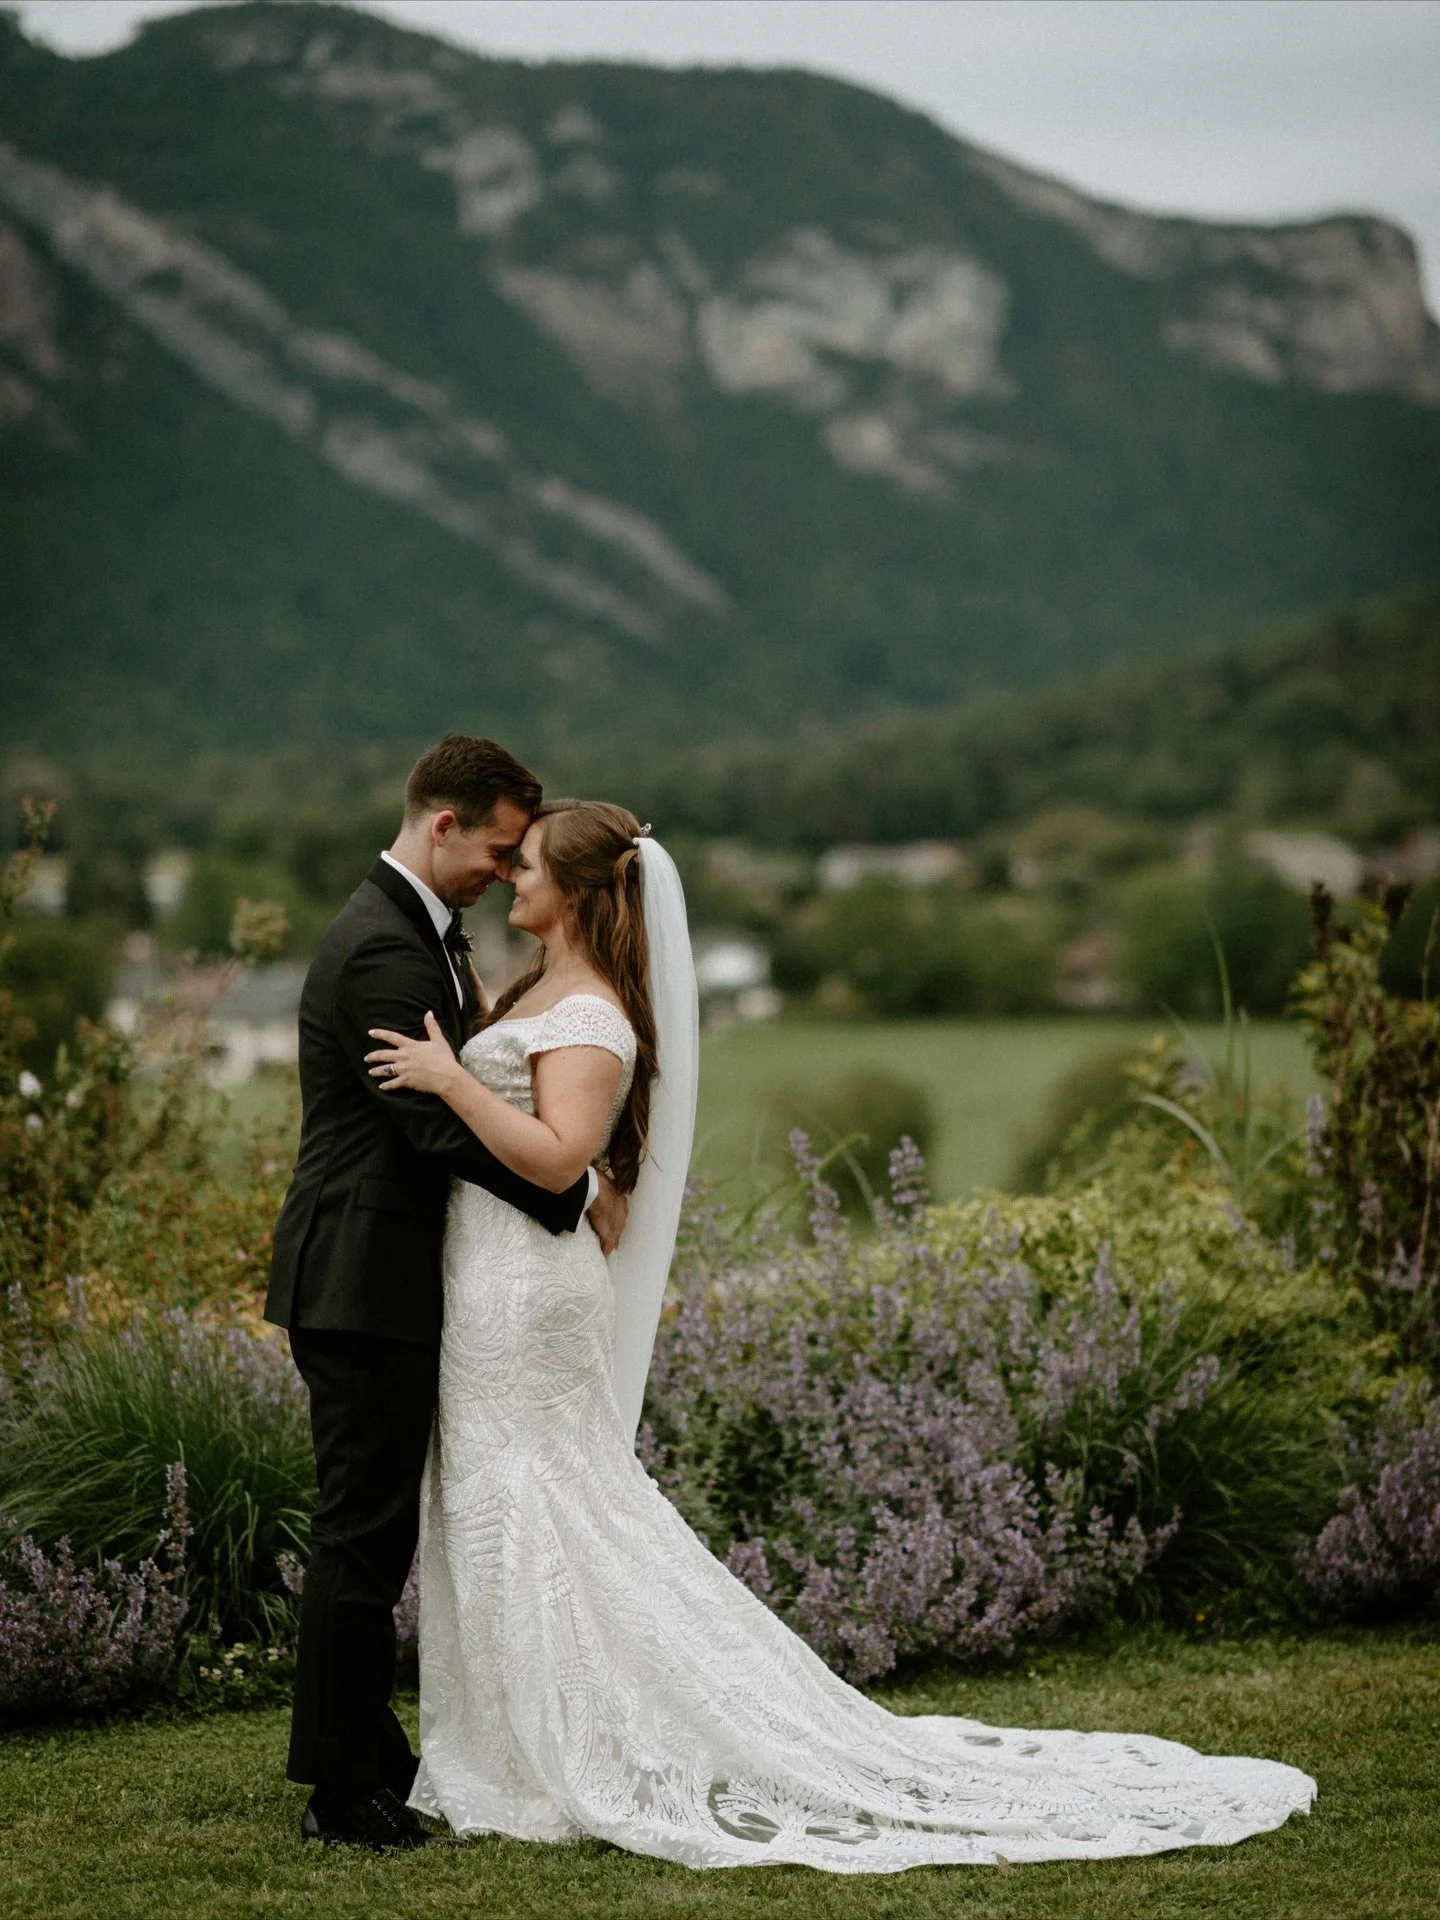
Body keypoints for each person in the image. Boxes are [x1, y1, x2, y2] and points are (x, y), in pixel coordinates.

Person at [363, 798, 1317, 1874]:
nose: (510, 875)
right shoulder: (541, 991)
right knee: (503, 1496)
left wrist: (449, 1079)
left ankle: (560, 1749)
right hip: (488, 1277)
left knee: (538, 1498)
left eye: (528, 863)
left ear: (580, 894)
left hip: (525, 1294)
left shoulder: (588, 1016)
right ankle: (511, 1742)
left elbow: (555, 1158)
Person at [264, 738, 626, 1853]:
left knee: (372, 1534)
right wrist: (573, 1198)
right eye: (499, 850)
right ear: (442, 827)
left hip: (396, 1277)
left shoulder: (417, 931)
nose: (503, 871)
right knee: (359, 1536)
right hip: (360, 1275)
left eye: (524, 858)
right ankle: (342, 1792)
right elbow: (424, 1123)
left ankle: (370, 1756)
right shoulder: (381, 945)